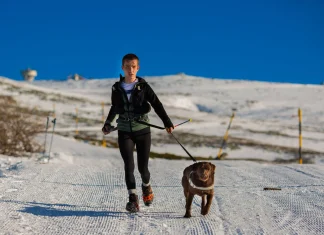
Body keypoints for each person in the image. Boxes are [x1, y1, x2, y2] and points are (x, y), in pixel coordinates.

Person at [102, 53, 174, 212]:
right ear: (122, 68)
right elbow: (115, 107)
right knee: (129, 165)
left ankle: (146, 186)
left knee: (143, 168)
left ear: (138, 68)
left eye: (133, 66)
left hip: (142, 131)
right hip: (124, 131)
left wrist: (167, 122)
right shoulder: (116, 88)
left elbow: (156, 104)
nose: (130, 69)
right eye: (127, 66)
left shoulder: (144, 86)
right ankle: (133, 199)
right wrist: (108, 123)